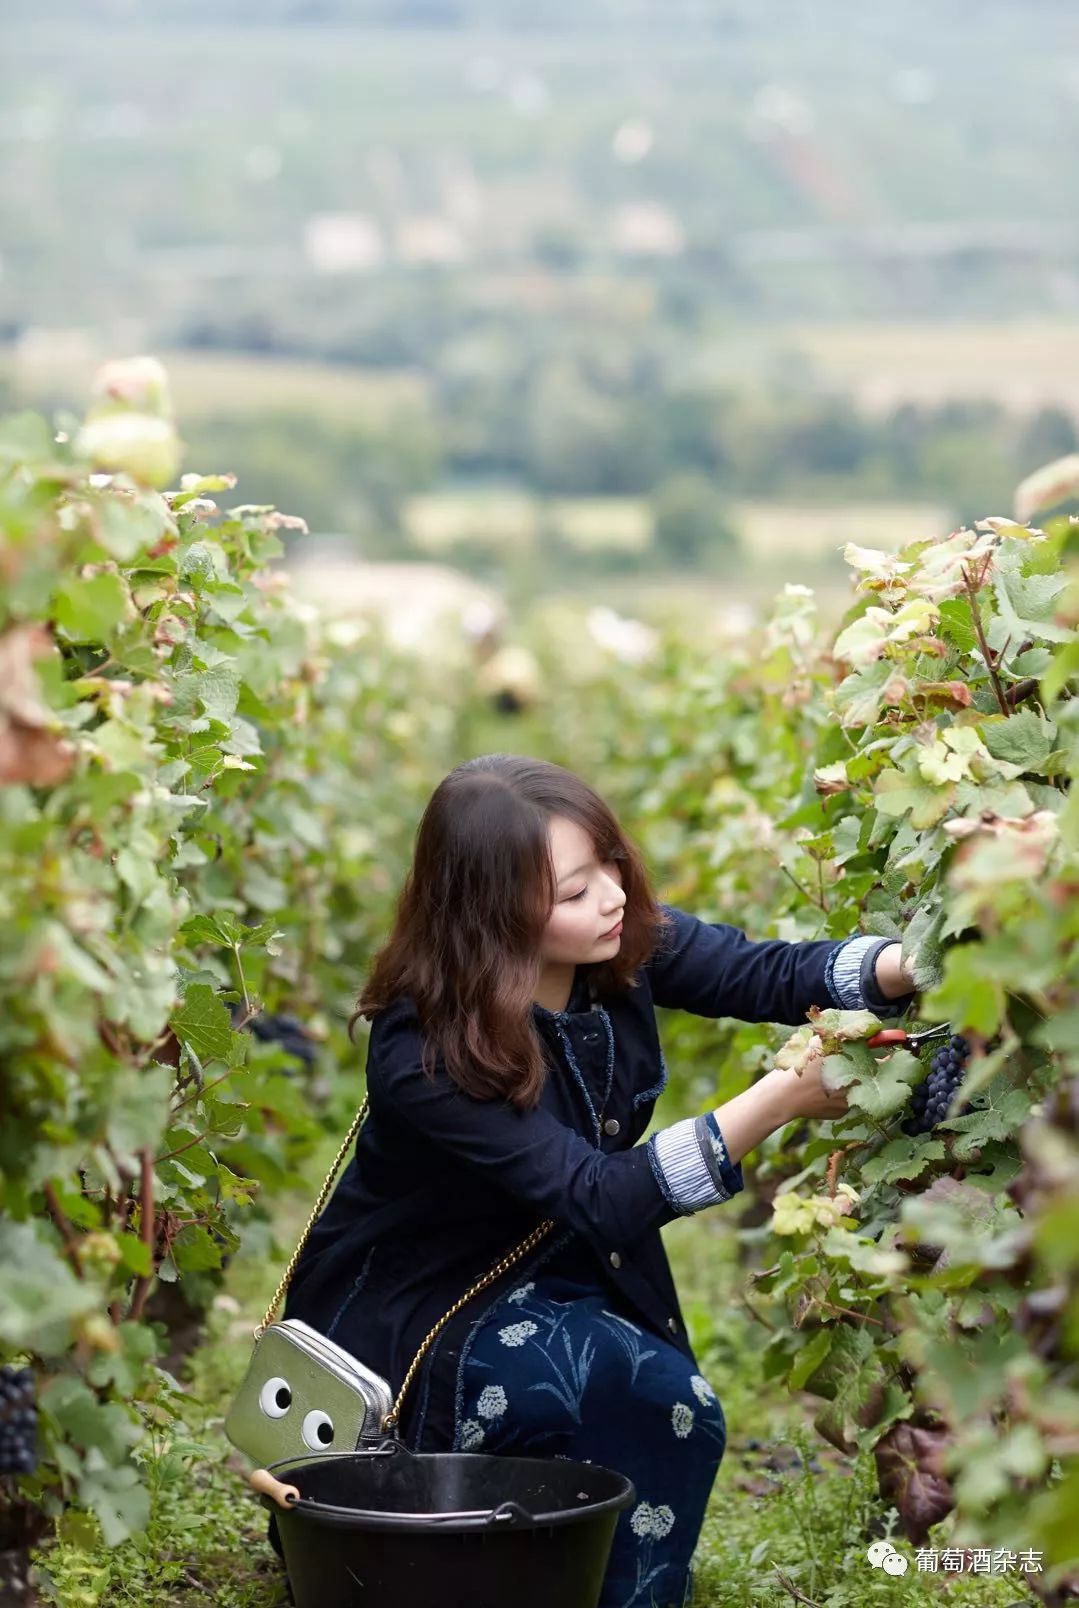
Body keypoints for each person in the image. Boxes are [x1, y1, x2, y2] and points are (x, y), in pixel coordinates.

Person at [273, 753, 916, 1607]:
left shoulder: (618, 947)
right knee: (618, 1390)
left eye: (609, 864)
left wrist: (908, 965)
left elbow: (757, 970)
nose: (612, 896)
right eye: (573, 892)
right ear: (489, 912)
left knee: (653, 1400)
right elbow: (601, 1197)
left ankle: (595, 1578)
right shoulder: (424, 1050)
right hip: (424, 1302)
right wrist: (777, 1101)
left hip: (559, 1265)